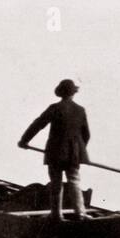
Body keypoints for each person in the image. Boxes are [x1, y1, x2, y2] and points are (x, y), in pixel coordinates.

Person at [19, 79, 91, 222]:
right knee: (74, 182)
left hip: (55, 152)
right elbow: (86, 135)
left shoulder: (55, 108)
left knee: (56, 183)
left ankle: (57, 215)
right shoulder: (80, 110)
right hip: (73, 155)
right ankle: (80, 213)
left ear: (60, 92)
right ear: (73, 93)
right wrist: (78, 151)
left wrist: (24, 141)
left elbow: (38, 124)